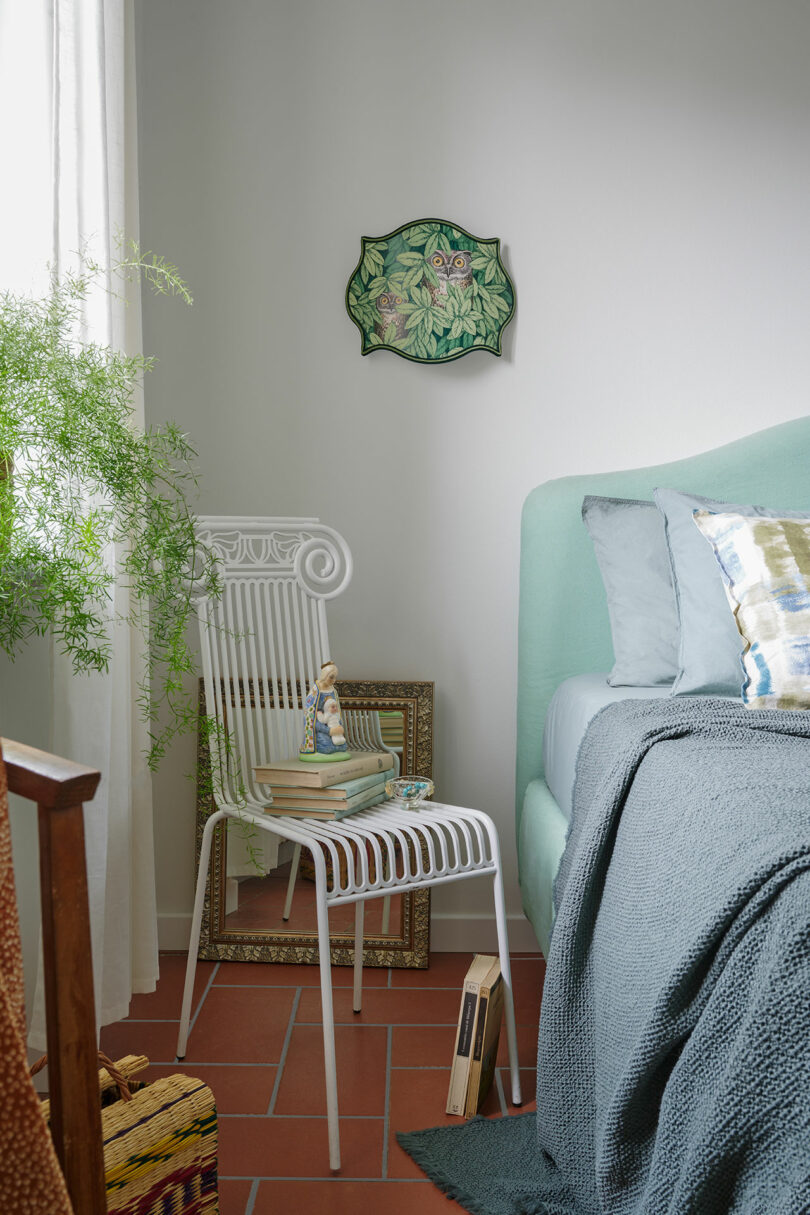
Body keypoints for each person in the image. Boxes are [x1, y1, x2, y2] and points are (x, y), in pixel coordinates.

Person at [299, 660, 350, 760]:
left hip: (334, 727)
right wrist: (329, 731)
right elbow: (313, 719)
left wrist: (339, 727)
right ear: (324, 675)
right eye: (331, 677)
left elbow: (337, 713)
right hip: (321, 730)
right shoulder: (316, 692)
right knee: (327, 747)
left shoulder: (333, 691)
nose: (334, 680)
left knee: (342, 747)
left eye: (335, 677)